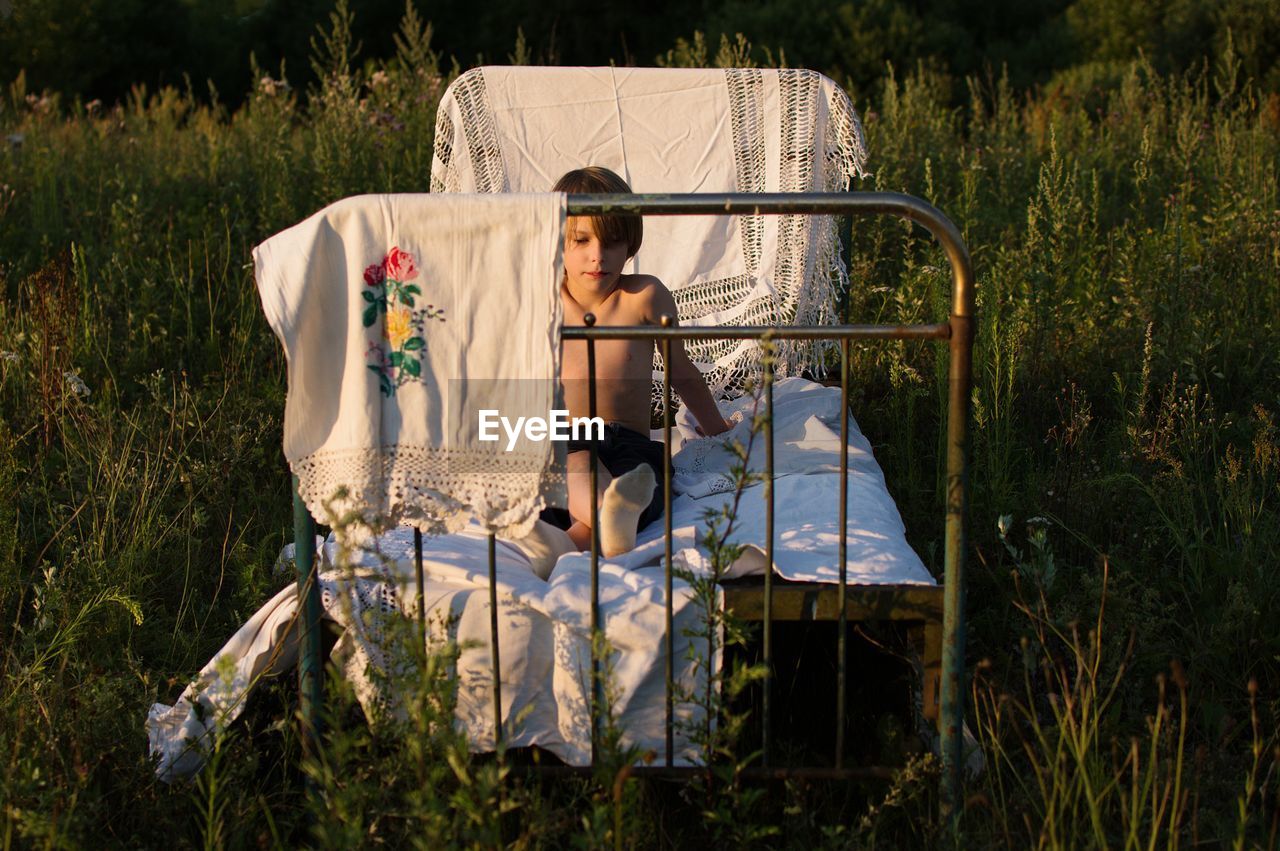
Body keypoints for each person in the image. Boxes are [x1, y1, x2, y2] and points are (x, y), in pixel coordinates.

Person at [545, 166, 732, 557]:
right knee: (575, 464)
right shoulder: (543, 302)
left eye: (612, 241)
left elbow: (681, 373)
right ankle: (603, 523)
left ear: (630, 244)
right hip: (568, 439)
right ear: (556, 243)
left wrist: (718, 430)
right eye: (581, 240)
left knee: (643, 483)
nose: (597, 255)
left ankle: (577, 540)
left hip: (631, 441)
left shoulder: (644, 296)